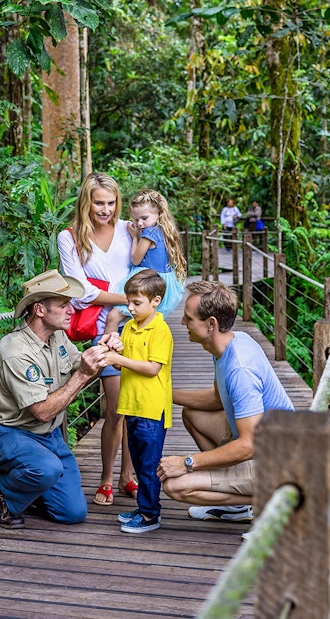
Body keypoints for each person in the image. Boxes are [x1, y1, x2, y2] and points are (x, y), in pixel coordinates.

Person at [0, 269, 123, 529]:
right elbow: (43, 411)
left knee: (73, 513)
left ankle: (32, 489)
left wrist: (105, 350)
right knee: (46, 469)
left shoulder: (57, 335)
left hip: (50, 437)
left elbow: (82, 364)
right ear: (40, 310)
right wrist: (82, 375)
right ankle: (5, 494)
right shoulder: (15, 350)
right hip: (10, 434)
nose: (71, 311)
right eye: (63, 305)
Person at [157, 280, 294, 522]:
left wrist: (187, 463)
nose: (182, 323)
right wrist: (164, 394)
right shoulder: (229, 343)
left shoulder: (240, 367)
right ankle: (237, 502)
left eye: (188, 319)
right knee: (192, 414)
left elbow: (248, 445)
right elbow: (217, 398)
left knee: (175, 485)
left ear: (211, 324)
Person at [57, 172, 138, 506]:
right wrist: (131, 298)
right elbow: (80, 292)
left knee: (138, 408)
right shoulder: (70, 237)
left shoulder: (129, 230)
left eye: (111, 202)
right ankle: (106, 477)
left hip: (140, 326)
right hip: (103, 331)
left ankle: (128, 477)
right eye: (99, 203)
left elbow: (149, 270)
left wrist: (131, 302)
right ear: (86, 202)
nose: (105, 210)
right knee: (116, 409)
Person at [103, 269, 173, 533]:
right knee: (137, 457)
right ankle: (144, 506)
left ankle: (150, 516)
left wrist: (118, 360)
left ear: (155, 301)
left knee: (148, 465)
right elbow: (127, 367)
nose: (129, 308)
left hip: (152, 409)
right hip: (131, 405)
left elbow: (153, 368)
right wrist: (115, 351)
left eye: (136, 303)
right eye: (129, 302)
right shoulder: (130, 327)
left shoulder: (161, 330)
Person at [104, 189, 186, 333]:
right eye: (136, 219)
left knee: (113, 317)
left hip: (146, 282)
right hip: (162, 282)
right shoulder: (164, 230)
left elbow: (136, 259)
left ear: (158, 213)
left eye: (144, 218)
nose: (140, 223)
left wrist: (135, 236)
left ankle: (105, 353)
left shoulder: (148, 234)